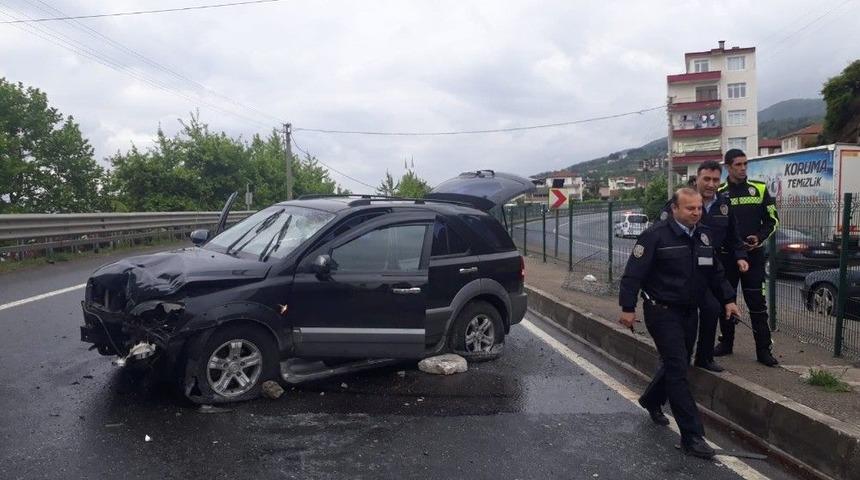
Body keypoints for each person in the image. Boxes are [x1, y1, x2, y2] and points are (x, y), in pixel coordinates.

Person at [619, 187, 740, 459]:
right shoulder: (655, 236)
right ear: (675, 209)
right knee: (677, 369)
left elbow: (716, 274)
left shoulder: (704, 235)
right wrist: (627, 308)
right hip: (661, 311)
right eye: (690, 208)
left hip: (689, 311)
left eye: (699, 208)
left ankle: (651, 399)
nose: (696, 213)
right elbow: (633, 275)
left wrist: (729, 299)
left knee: (679, 362)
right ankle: (692, 436)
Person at [660, 161, 749, 372]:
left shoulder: (724, 206)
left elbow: (734, 237)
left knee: (712, 308)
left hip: (710, 268)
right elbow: (660, 235)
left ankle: (704, 357)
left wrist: (741, 256)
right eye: (706, 179)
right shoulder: (679, 203)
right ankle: (676, 356)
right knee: (683, 315)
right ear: (696, 179)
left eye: (715, 180)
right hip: (682, 271)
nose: (711, 184)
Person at [714, 149, 780, 367]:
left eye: (745, 164)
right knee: (726, 301)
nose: (743, 168)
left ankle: (763, 351)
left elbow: (772, 220)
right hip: (727, 258)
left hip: (753, 258)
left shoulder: (759, 189)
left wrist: (759, 237)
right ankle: (726, 343)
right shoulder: (720, 192)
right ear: (728, 167)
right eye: (738, 165)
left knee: (757, 304)